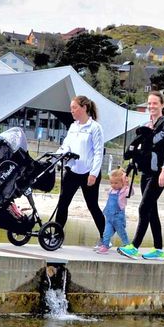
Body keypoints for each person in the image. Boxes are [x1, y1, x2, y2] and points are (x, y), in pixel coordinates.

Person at [118, 91, 164, 261]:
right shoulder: (147, 125)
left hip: (159, 174)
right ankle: (158, 250)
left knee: (144, 208)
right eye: (149, 103)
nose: (151, 106)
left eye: (155, 103)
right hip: (146, 173)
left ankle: (134, 247)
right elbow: (140, 151)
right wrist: (128, 169)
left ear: (162, 105)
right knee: (151, 211)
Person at [56, 95, 106, 246]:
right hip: (72, 171)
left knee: (93, 206)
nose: (72, 111)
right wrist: (57, 156)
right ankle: (57, 236)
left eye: (74, 108)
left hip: (88, 173)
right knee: (63, 203)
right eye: (71, 108)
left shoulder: (95, 128)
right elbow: (66, 146)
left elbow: (98, 152)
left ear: (84, 108)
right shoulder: (73, 127)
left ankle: (105, 237)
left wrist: (93, 174)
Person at [97, 168, 131, 254]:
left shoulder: (122, 191)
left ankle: (127, 245)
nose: (113, 185)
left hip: (118, 217)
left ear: (122, 182)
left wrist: (126, 183)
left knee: (121, 232)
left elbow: (130, 191)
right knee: (106, 233)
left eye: (116, 183)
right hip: (109, 216)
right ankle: (105, 245)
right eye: (111, 183)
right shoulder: (111, 190)